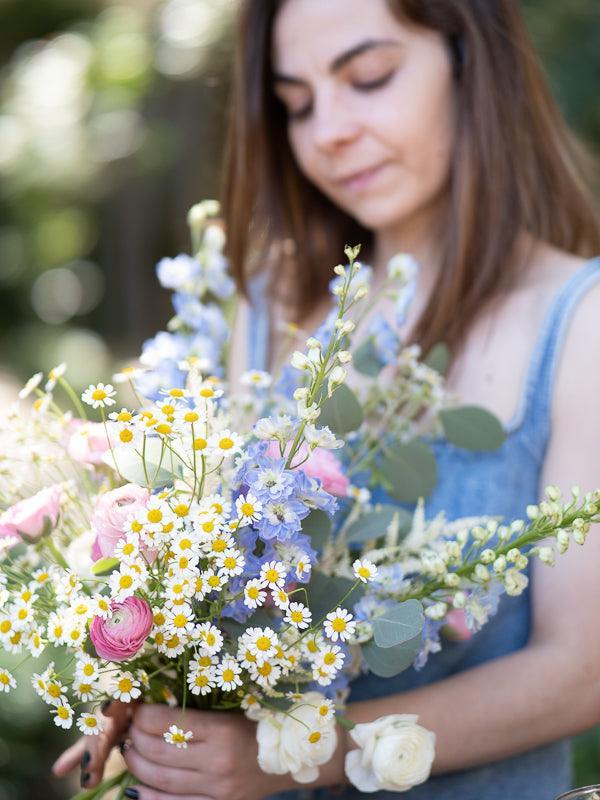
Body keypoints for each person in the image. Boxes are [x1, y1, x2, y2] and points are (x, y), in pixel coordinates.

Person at [53, 1, 600, 798]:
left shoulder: (578, 320)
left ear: (472, 61)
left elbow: (581, 670)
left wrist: (294, 751)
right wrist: (152, 685)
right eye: (297, 103)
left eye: (368, 78)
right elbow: (217, 581)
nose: (327, 132)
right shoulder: (271, 302)